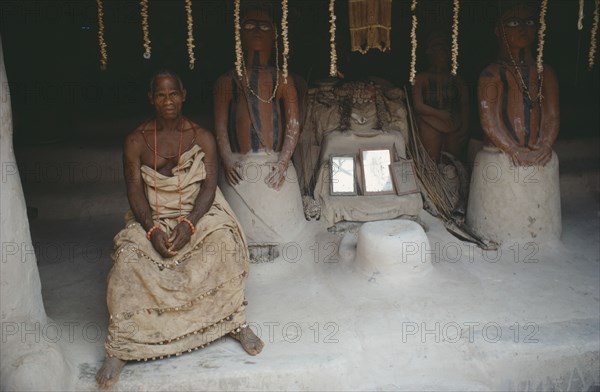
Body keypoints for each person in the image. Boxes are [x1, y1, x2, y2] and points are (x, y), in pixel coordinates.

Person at [95, 70, 263, 388]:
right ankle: (123, 345)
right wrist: (152, 230)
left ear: (183, 95)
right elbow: (134, 191)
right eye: (160, 95)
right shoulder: (135, 140)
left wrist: (189, 223)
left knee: (224, 245)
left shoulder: (202, 136)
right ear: (151, 99)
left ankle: (234, 322)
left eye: (173, 94)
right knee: (127, 262)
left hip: (198, 213)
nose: (167, 100)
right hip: (153, 217)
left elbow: (210, 185)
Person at [214, 7, 301, 191]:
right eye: (250, 25)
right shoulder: (226, 81)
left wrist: (283, 162)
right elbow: (220, 125)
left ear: (274, 33)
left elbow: (293, 124)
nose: (257, 31)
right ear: (240, 33)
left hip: (275, 164)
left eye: (264, 26)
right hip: (239, 168)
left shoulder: (283, 79)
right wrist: (228, 159)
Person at [477, 2, 559, 166]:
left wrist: (545, 145)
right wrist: (513, 149)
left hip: (539, 153)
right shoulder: (492, 74)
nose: (523, 28)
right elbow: (489, 121)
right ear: (498, 30)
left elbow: (552, 115)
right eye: (514, 22)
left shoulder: (545, 72)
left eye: (529, 22)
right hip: (502, 154)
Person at [412, 31, 469, 163]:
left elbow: (464, 104)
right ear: (428, 52)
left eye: (445, 48)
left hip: (453, 123)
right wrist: (439, 114)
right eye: (437, 47)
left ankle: (453, 181)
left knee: (454, 160)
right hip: (429, 121)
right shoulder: (421, 79)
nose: (442, 52)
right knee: (431, 158)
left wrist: (465, 126)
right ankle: (432, 182)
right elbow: (418, 105)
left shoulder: (457, 80)